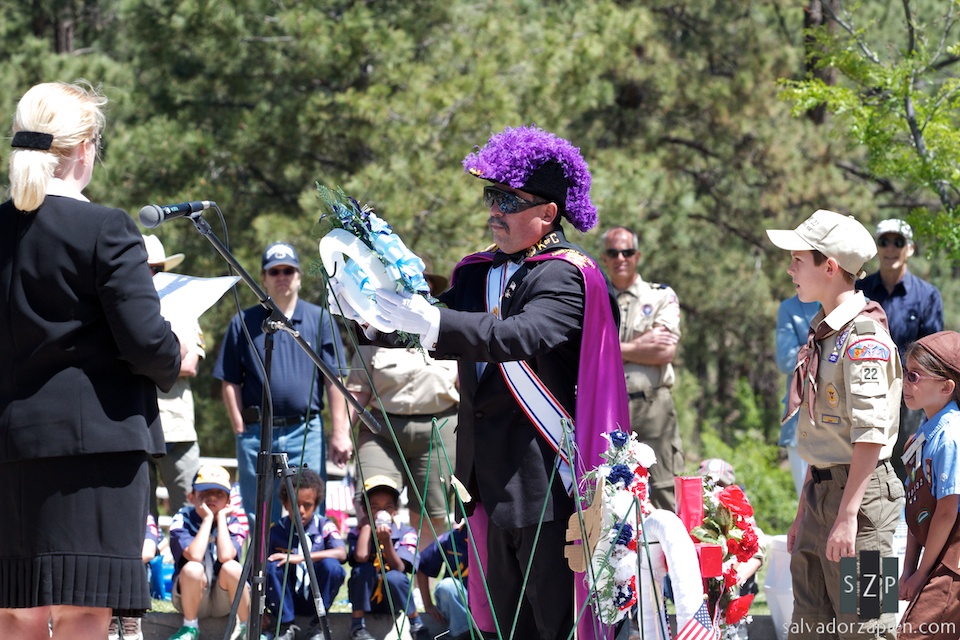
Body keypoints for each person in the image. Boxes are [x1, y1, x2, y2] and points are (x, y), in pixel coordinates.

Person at [336, 125, 630, 640]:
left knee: (554, 625)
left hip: (548, 483)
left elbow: (521, 335)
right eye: (491, 196)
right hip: (485, 482)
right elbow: (430, 326)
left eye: (508, 200)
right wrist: (372, 314)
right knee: (501, 627)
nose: (494, 209)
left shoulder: (568, 275)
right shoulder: (476, 272)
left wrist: (431, 321)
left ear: (548, 213)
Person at [0, 81, 182, 639]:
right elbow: (146, 342)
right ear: (85, 148)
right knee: (82, 610)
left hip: (9, 446)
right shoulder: (106, 228)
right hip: (95, 453)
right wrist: (175, 348)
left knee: (15, 611)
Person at [767, 208, 904, 639]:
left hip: (862, 504)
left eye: (797, 260)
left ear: (829, 267)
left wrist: (847, 516)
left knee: (865, 628)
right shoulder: (825, 332)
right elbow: (824, 435)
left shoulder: (863, 339)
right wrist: (804, 511)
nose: (790, 270)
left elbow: (869, 436)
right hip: (821, 495)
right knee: (811, 628)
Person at [213, 242, 351, 525]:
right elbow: (230, 380)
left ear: (299, 276)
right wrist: (240, 428)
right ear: (263, 278)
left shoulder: (320, 319)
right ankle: (266, 558)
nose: (282, 277)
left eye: (288, 270)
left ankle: (305, 558)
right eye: (274, 271)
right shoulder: (243, 321)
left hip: (305, 431)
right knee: (261, 516)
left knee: (311, 514)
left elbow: (335, 379)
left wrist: (340, 432)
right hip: (257, 434)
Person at [345, 260, 459, 550]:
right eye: (406, 283)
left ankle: (420, 570)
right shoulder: (373, 330)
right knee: (374, 501)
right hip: (381, 430)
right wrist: (342, 434)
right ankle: (382, 571)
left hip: (439, 430)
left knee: (432, 512)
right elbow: (358, 390)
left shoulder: (449, 329)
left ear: (430, 288)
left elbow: (466, 387)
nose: (415, 289)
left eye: (421, 283)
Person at [601, 225, 683, 511]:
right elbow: (586, 352)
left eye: (627, 252)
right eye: (613, 253)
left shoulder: (660, 296)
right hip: (608, 408)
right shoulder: (595, 299)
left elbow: (665, 351)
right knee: (608, 490)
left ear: (637, 255)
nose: (620, 258)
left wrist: (612, 349)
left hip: (653, 408)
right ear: (604, 258)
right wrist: (640, 345)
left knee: (664, 489)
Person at [857, 218, 944, 482]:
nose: (891, 248)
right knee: (864, 461)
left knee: (904, 464)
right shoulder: (859, 291)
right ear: (877, 247)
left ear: (911, 248)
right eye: (884, 241)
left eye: (898, 242)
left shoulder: (927, 295)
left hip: (910, 396)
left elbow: (931, 355)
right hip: (864, 391)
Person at [896, 331, 960, 640]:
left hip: (952, 561)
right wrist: (909, 569)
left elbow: (946, 512)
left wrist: (921, 572)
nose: (905, 382)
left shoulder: (950, 436)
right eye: (904, 372)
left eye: (914, 376)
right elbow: (916, 506)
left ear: (946, 387)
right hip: (937, 555)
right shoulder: (924, 433)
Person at [144, 233, 205, 520]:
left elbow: (190, 364)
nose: (152, 275)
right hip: (136, 427)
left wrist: (138, 363)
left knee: (191, 513)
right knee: (139, 519)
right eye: (144, 268)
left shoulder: (182, 308)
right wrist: (165, 360)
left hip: (177, 429)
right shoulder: (116, 309)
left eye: (157, 268)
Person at [167, 464, 251, 640]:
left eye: (219, 494)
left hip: (225, 600)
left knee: (232, 567)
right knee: (193, 568)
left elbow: (226, 556)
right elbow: (195, 555)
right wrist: (207, 520)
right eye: (205, 492)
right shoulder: (182, 518)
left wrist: (221, 519)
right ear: (191, 497)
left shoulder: (233, 521)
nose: (212, 497)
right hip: (191, 598)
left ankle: (247, 628)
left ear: (228, 502)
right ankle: (190, 627)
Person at [265, 467, 346, 640]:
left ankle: (318, 625)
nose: (300, 510)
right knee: (271, 566)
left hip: (316, 598)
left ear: (316, 505)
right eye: (295, 504)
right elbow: (258, 572)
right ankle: (285, 626)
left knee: (332, 566)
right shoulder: (276, 531)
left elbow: (341, 553)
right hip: (286, 600)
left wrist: (302, 558)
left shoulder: (324, 526)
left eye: (307, 505)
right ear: (285, 504)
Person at [347, 476, 423, 640]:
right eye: (374, 507)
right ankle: (357, 626)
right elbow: (361, 556)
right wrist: (367, 526)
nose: (381, 512)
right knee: (362, 570)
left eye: (387, 507)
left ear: (395, 509)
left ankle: (416, 623)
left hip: (393, 599)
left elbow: (400, 568)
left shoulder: (406, 532)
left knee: (395, 577)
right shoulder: (358, 531)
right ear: (365, 509)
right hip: (366, 598)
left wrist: (386, 541)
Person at [775, 295, 821, 497]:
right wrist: (829, 349)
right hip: (800, 418)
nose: (794, 279)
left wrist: (807, 349)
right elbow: (786, 360)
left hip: (845, 422)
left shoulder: (861, 304)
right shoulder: (789, 307)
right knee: (807, 501)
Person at [414, 521, 470, 640]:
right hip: (459, 601)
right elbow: (422, 564)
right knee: (447, 586)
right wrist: (428, 605)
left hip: (486, 601)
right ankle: (461, 634)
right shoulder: (452, 537)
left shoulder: (495, 536)